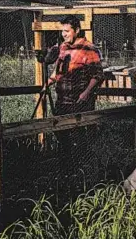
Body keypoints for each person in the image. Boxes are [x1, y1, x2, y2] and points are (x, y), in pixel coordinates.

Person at [43, 15, 104, 183]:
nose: (64, 34)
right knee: (62, 136)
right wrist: (49, 81)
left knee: (79, 138)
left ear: (77, 30)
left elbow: (98, 75)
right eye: (62, 31)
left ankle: (84, 174)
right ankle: (66, 172)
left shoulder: (89, 49)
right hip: (62, 101)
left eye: (67, 31)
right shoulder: (62, 48)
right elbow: (58, 71)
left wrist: (86, 93)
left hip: (79, 103)